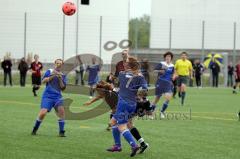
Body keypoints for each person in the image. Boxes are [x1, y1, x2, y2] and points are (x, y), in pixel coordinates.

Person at [84, 81, 149, 153]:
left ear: (102, 90)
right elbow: (100, 97)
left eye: (98, 91)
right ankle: (140, 144)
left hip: (127, 108)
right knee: (124, 124)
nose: (97, 93)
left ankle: (131, 145)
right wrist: (90, 102)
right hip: (130, 106)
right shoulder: (107, 92)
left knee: (122, 126)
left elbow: (116, 107)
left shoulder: (111, 95)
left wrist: (114, 114)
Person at [106, 56, 148, 157]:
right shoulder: (140, 76)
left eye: (126, 62)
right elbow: (144, 90)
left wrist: (111, 79)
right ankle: (117, 145)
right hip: (132, 104)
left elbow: (115, 83)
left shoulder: (122, 74)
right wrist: (139, 95)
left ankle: (134, 145)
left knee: (122, 126)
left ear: (129, 65)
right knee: (112, 122)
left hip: (123, 103)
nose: (123, 63)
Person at [31, 59, 67, 137]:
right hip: (47, 96)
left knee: (61, 112)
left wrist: (60, 78)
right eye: (57, 63)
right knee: (43, 113)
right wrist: (53, 75)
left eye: (60, 63)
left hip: (57, 97)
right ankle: (35, 129)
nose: (59, 65)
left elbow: (63, 88)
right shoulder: (50, 71)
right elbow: (43, 81)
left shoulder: (63, 74)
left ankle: (61, 132)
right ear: (55, 64)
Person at [150, 52, 175, 118]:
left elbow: (172, 74)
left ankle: (162, 111)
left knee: (168, 97)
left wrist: (172, 79)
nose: (168, 57)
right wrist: (160, 71)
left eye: (169, 56)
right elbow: (154, 70)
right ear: (165, 57)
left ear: (171, 58)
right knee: (157, 98)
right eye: (166, 56)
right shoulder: (161, 64)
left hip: (168, 83)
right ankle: (151, 112)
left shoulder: (172, 66)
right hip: (160, 82)